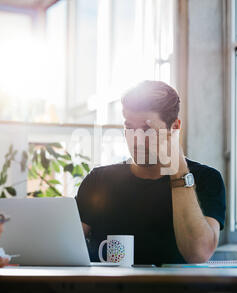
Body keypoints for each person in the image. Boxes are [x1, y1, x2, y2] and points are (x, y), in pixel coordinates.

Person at [75, 80, 226, 265]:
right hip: (107, 291)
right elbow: (63, 245)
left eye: (148, 130)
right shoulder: (99, 181)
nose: (136, 140)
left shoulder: (207, 179)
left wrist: (177, 168)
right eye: (129, 128)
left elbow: (198, 253)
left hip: (177, 292)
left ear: (175, 128)